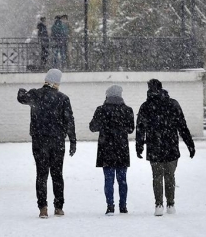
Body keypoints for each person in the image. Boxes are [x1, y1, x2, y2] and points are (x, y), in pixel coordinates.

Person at [17, 68, 77, 219]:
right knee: (57, 174)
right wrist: (73, 140)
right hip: (57, 141)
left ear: (46, 79)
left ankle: (43, 207)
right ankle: (59, 207)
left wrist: (21, 90)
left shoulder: (35, 94)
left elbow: (21, 98)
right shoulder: (63, 98)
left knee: (41, 174)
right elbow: (69, 121)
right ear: (57, 82)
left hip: (39, 140)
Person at [135, 78, 195, 216]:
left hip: (154, 146)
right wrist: (190, 145)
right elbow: (182, 126)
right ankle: (171, 204)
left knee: (157, 176)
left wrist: (139, 146)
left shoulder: (146, 106)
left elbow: (140, 128)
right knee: (170, 176)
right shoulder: (173, 104)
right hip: (171, 145)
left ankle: (158, 204)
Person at [89, 84, 135, 215]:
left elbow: (93, 127)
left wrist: (104, 124)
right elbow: (131, 129)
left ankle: (110, 206)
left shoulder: (101, 110)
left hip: (106, 148)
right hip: (122, 148)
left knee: (108, 179)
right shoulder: (127, 110)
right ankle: (123, 206)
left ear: (107, 95)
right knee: (122, 179)